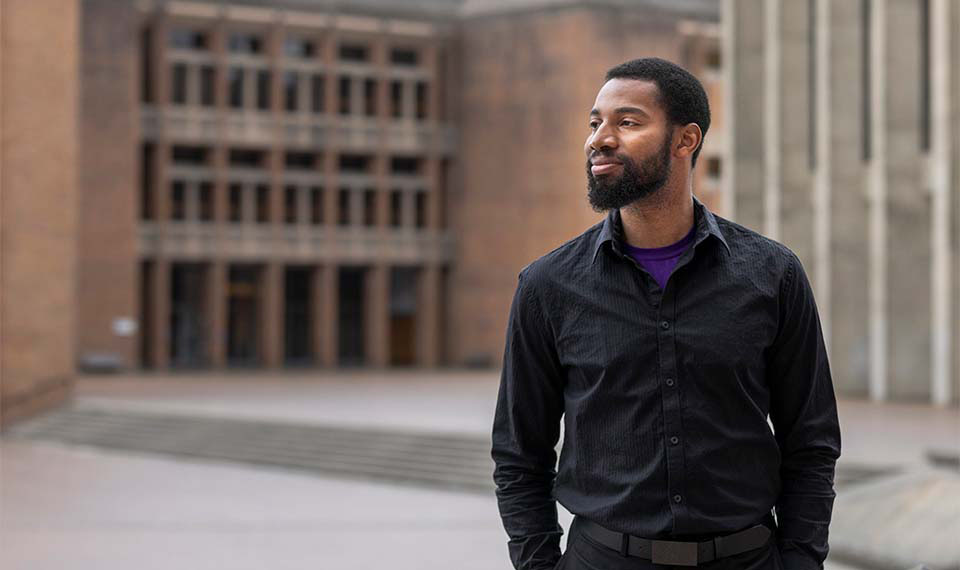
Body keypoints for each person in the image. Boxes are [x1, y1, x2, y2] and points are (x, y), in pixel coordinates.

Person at [491, 57, 841, 570]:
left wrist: (802, 561)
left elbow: (810, 441)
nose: (600, 139)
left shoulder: (773, 275)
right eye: (595, 124)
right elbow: (520, 456)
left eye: (627, 123)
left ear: (686, 140)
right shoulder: (548, 287)